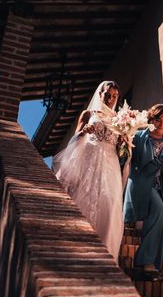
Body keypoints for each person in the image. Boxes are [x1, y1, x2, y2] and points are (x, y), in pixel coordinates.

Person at [53, 80, 125, 261]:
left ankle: (104, 254)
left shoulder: (120, 119)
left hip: (110, 165)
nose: (110, 99)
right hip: (90, 160)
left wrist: (124, 143)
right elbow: (75, 137)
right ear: (100, 94)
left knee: (109, 205)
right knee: (84, 201)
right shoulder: (88, 114)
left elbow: (120, 149)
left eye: (114, 96)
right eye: (107, 95)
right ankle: (77, 248)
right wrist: (84, 131)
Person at [123, 104, 163, 279]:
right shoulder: (140, 137)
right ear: (153, 119)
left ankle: (156, 268)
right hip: (143, 183)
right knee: (157, 208)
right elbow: (129, 158)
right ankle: (144, 260)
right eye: (159, 120)